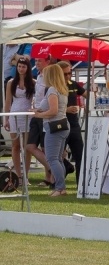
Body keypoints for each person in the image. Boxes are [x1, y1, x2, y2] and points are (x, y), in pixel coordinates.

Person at [32, 64, 69, 196]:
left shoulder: (52, 90)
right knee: (58, 159)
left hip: (54, 126)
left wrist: (38, 115)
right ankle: (61, 186)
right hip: (62, 125)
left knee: (52, 159)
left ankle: (60, 187)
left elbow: (53, 111)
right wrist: (39, 111)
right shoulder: (61, 89)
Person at [3, 56, 35, 182]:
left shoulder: (33, 82)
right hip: (14, 115)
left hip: (27, 116)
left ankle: (25, 175)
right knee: (15, 145)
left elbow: (35, 99)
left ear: (27, 68)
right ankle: (18, 175)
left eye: (23, 66)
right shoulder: (11, 82)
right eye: (19, 66)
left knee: (27, 146)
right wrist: (6, 119)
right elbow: (7, 102)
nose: (21, 69)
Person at [27, 56, 53, 187]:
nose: (36, 63)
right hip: (36, 114)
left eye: (39, 60)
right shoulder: (38, 75)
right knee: (30, 146)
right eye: (36, 60)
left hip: (44, 114)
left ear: (47, 62)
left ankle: (49, 178)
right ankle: (52, 168)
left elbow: (49, 97)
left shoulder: (49, 76)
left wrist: (41, 110)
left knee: (45, 148)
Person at [57, 61, 84, 182]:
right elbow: (51, 108)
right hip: (60, 124)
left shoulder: (73, 84)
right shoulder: (54, 87)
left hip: (74, 125)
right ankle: (57, 183)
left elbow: (86, 94)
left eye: (70, 73)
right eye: (65, 74)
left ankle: (81, 184)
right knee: (57, 156)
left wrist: (95, 93)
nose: (68, 76)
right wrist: (66, 109)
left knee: (80, 156)